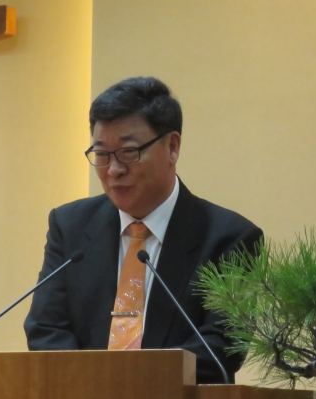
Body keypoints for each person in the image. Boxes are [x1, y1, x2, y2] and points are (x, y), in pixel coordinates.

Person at [23, 77, 263, 383]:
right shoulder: (70, 226)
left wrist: (127, 383)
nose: (114, 170)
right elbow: (45, 329)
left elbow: (221, 347)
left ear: (172, 147)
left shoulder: (230, 239)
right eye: (102, 154)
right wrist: (91, 387)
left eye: (129, 152)